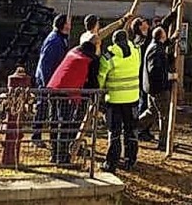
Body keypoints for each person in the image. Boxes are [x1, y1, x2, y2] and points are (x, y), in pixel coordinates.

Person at [47, 33, 100, 165]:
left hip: (54, 86)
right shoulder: (91, 58)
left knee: (54, 121)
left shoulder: (74, 50)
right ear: (97, 45)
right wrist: (95, 96)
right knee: (65, 123)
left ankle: (54, 153)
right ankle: (62, 156)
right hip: (68, 91)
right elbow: (92, 81)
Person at [98, 29, 141, 174]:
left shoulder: (108, 56)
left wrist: (99, 91)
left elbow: (101, 77)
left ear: (113, 41)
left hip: (114, 100)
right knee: (131, 131)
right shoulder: (136, 51)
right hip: (133, 98)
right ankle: (131, 160)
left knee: (114, 132)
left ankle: (111, 163)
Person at [137, 26, 178, 151]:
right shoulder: (156, 50)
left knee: (151, 112)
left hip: (151, 88)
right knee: (164, 116)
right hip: (158, 89)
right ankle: (164, 143)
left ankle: (131, 127)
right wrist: (170, 76)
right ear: (162, 36)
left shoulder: (155, 45)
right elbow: (155, 71)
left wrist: (173, 39)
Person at [32, 14, 71, 146]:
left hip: (52, 80)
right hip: (47, 80)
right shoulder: (54, 41)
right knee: (42, 107)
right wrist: (47, 83)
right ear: (63, 25)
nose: (70, 25)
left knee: (50, 109)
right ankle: (36, 136)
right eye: (68, 23)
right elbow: (45, 63)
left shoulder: (60, 39)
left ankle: (44, 136)